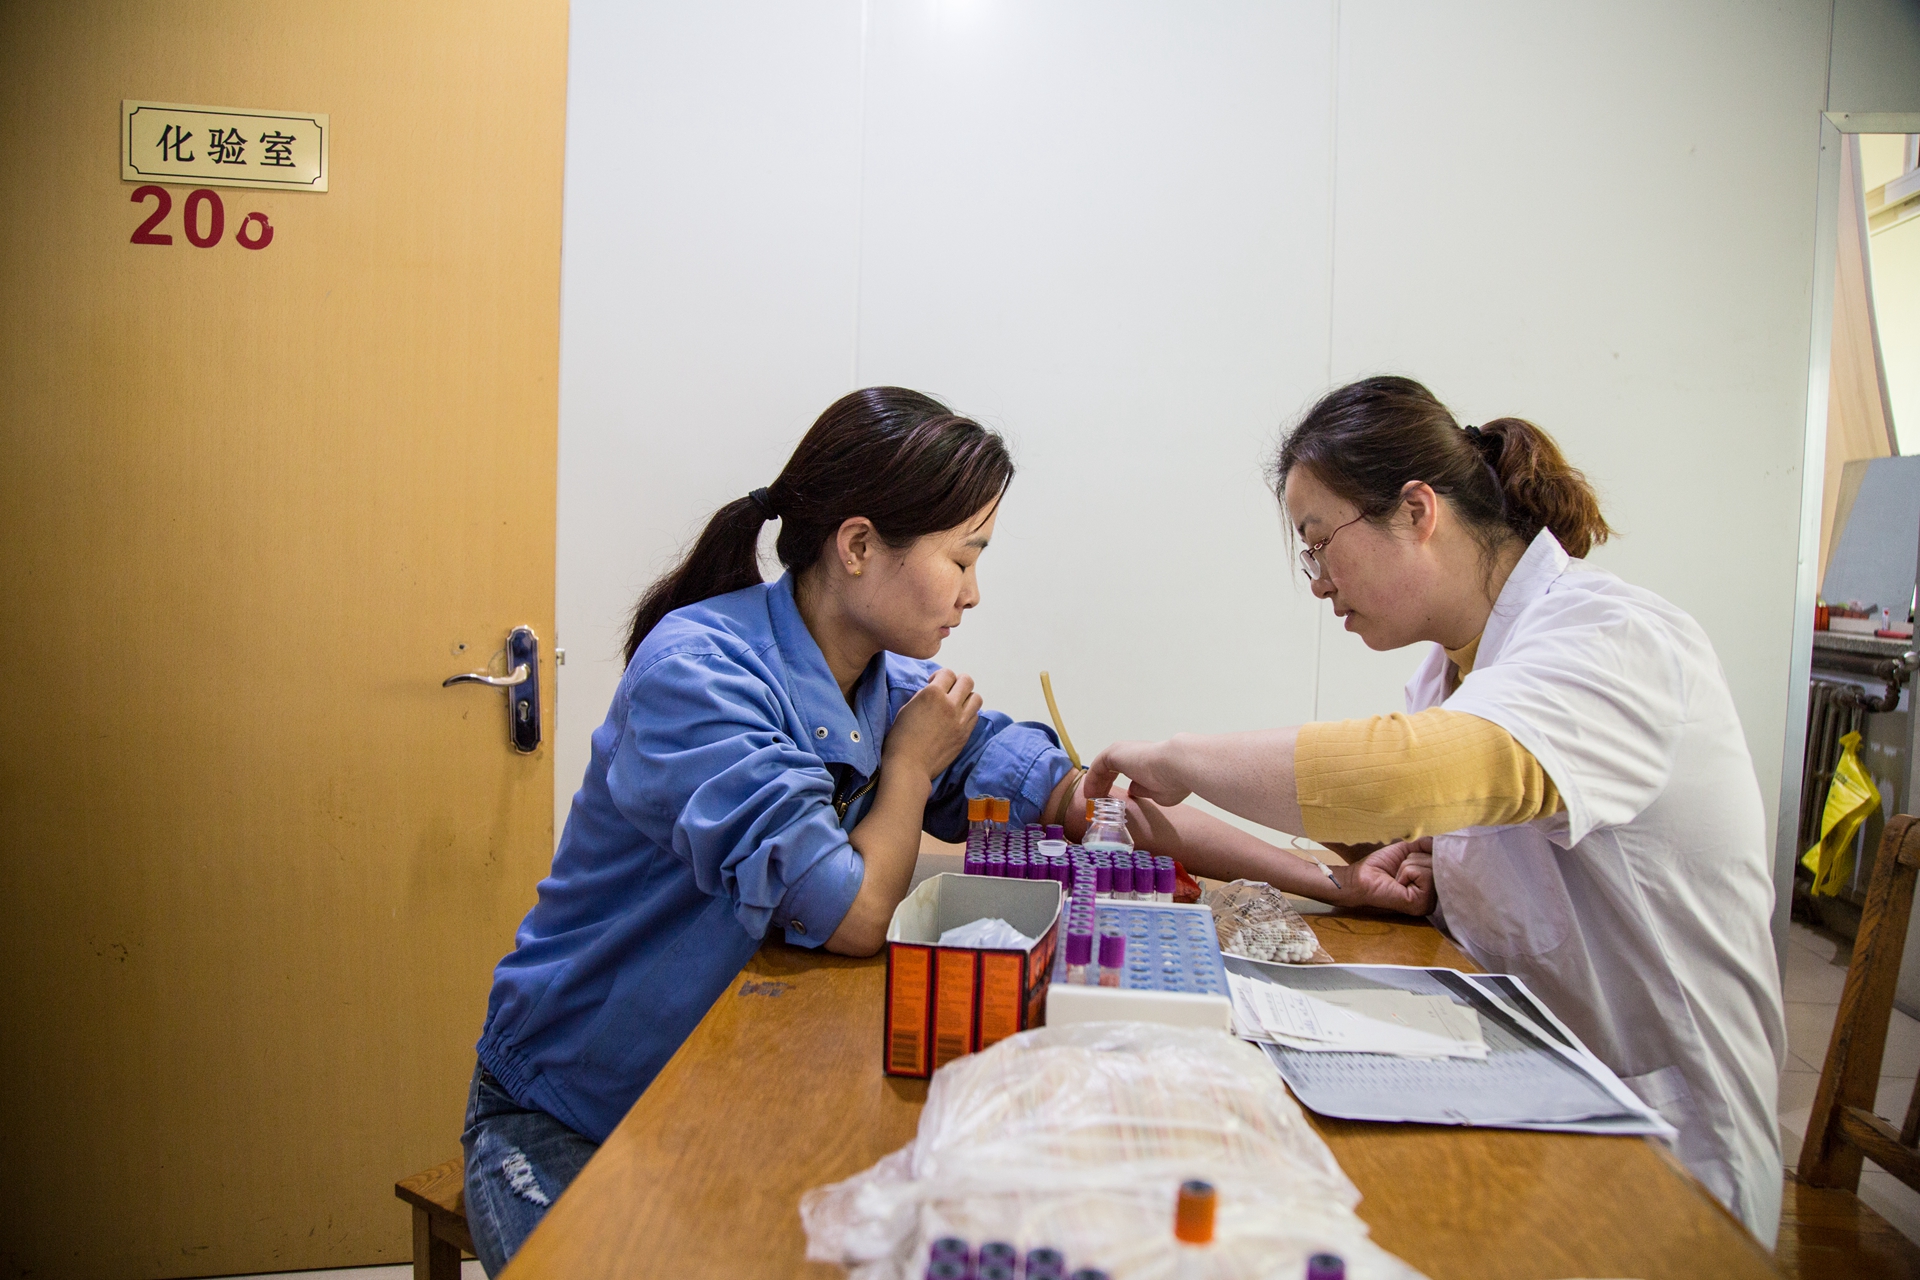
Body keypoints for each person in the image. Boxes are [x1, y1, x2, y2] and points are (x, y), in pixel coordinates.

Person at [460, 387, 1434, 1273]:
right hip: (578, 1107)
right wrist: (910, 770)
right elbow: (849, 912)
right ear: (857, 546)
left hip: (729, 1085)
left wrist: (1325, 878)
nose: (973, 592)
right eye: (962, 558)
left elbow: (1097, 802)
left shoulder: (889, 683)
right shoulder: (701, 674)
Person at [1089, 376, 1787, 1245]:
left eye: (1320, 544)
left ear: (1417, 510)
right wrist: (1422, 859)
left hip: (1661, 1145)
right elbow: (1431, 807)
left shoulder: (1613, 639)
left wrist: (1183, 759)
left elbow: (1410, 772)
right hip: (1521, 1088)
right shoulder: (1453, 672)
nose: (1318, 583)